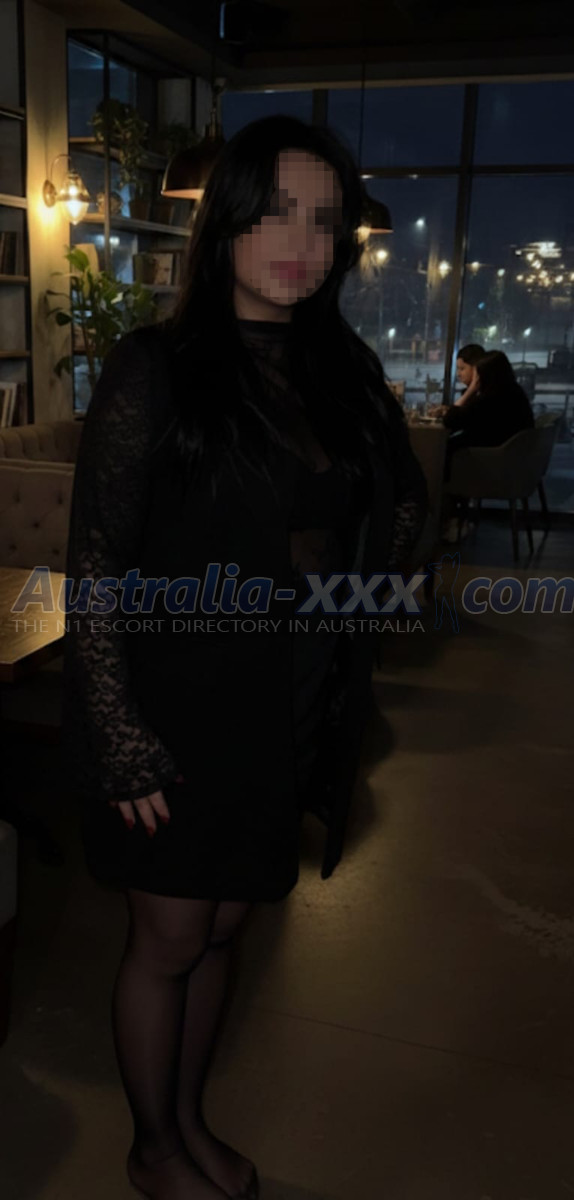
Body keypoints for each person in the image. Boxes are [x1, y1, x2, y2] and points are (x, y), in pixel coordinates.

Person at [62, 114, 428, 1200]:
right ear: (224, 223)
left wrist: (367, 582)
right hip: (176, 710)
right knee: (172, 939)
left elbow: (396, 504)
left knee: (227, 930)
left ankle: (189, 1123)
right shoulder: (156, 368)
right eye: (273, 212)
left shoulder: (342, 367)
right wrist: (120, 740)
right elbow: (97, 562)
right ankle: (152, 1151)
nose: (299, 244)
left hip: (286, 703)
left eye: (322, 221)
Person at [433, 349, 535, 541]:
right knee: (452, 449)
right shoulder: (512, 393)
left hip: (491, 468)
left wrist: (471, 390)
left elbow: (450, 421)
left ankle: (448, 516)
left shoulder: (492, 399)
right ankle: (453, 517)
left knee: (442, 453)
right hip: (512, 464)